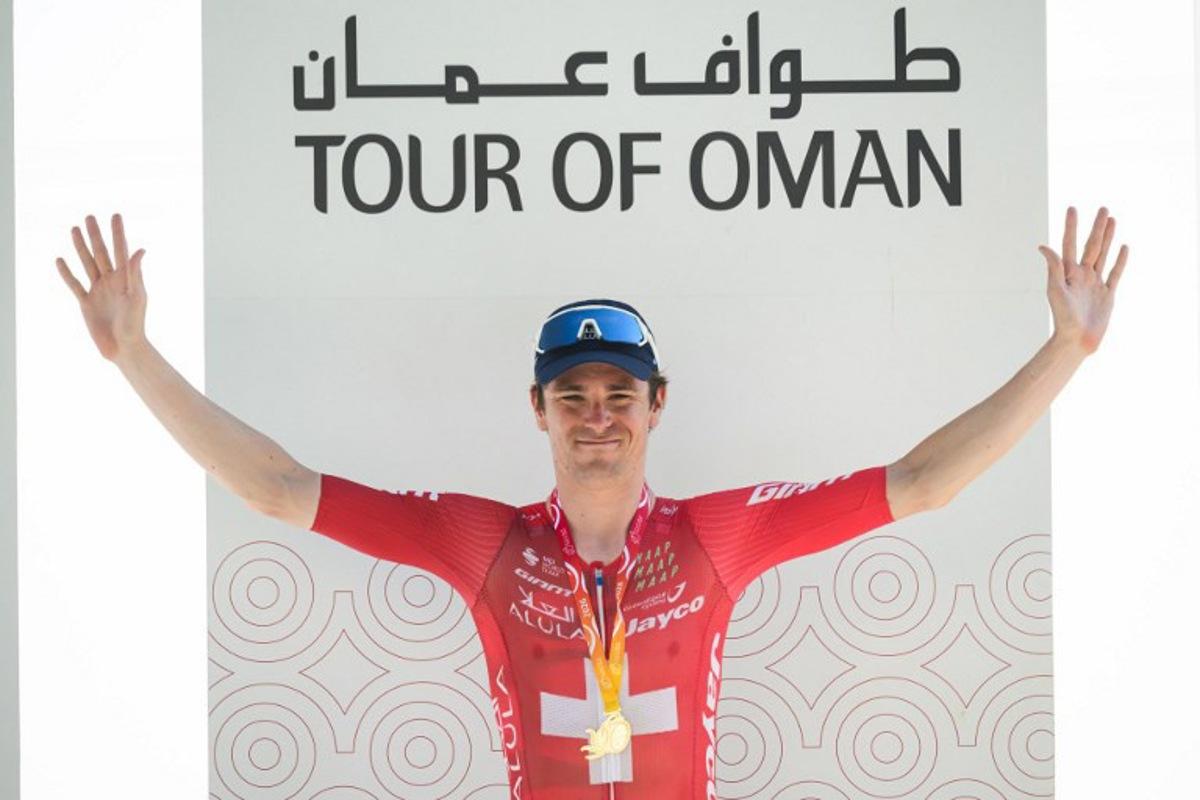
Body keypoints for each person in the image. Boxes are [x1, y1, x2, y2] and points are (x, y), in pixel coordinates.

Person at [55, 207, 1128, 799]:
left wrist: (1067, 351)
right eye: (573, 396)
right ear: (538, 409)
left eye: (620, 393)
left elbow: (926, 482)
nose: (598, 416)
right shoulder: (483, 540)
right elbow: (280, 488)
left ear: (659, 403)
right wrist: (134, 354)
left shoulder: (720, 533)